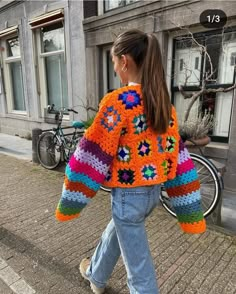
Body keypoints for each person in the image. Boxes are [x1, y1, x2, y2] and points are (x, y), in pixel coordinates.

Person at [55, 29, 206, 294]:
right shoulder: (162, 104)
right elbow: (175, 155)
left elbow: (92, 149)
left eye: (114, 62)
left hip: (127, 195)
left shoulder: (119, 102)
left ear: (125, 61)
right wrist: (187, 204)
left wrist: (72, 195)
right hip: (152, 194)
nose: (115, 69)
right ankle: (96, 275)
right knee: (119, 229)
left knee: (139, 268)